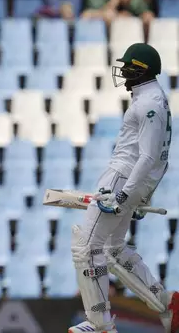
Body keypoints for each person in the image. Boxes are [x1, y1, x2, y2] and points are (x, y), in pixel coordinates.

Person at [68, 43, 179, 333]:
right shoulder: (152, 98)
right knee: (112, 249)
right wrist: (141, 193)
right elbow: (158, 160)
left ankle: (100, 324)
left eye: (129, 66)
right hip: (130, 180)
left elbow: (149, 156)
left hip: (122, 178)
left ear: (141, 71)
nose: (123, 72)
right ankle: (167, 305)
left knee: (87, 247)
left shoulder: (149, 103)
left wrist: (124, 195)